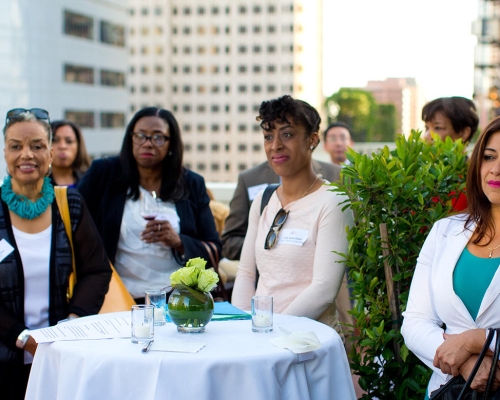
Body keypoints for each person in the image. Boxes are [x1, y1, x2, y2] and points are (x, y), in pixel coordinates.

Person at [0, 108, 111, 399]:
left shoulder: (69, 203)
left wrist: (71, 326)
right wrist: (23, 338)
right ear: (5, 153)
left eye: (36, 146)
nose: (27, 154)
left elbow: (97, 270)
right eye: (16, 146)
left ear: (49, 154)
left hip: (60, 359)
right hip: (3, 361)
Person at [231, 95, 353, 333]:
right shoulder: (264, 200)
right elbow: (246, 273)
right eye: (268, 136)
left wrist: (272, 330)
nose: (275, 145)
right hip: (261, 338)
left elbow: (323, 290)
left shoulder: (333, 200)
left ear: (312, 140)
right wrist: (241, 328)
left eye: (287, 134)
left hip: (308, 341)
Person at [78, 107, 222, 303]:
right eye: (140, 136)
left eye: (158, 137)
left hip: (179, 299)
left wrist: (178, 242)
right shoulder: (104, 173)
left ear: (171, 144)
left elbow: (214, 246)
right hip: (116, 297)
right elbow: (73, 216)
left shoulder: (191, 183)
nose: (147, 143)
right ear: (130, 139)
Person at [401, 116, 500, 399]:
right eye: (489, 157)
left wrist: (478, 340)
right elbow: (415, 321)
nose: (496, 169)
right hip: (448, 389)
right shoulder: (445, 231)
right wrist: (466, 362)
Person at [49, 120, 91, 187]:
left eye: (69, 141)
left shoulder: (91, 181)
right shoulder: (36, 184)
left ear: (78, 145)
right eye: (55, 140)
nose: (62, 146)